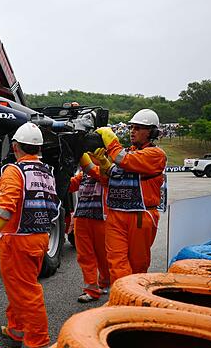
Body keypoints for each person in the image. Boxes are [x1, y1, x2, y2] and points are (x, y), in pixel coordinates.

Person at [0, 122, 59, 348]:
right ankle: (17, 329)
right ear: (39, 148)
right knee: (19, 288)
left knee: (26, 292)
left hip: (18, 240)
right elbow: (54, 206)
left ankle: (38, 341)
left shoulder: (14, 171)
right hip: (39, 238)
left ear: (15, 146)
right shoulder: (47, 173)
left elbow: (3, 208)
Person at [95, 108, 166, 283]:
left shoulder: (156, 155)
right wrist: (104, 165)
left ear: (151, 132)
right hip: (116, 215)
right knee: (116, 262)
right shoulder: (125, 153)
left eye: (138, 128)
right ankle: (122, 301)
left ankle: (134, 302)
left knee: (138, 265)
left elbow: (126, 160)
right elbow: (109, 180)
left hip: (141, 216)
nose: (132, 131)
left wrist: (110, 139)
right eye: (131, 127)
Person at [69, 152, 110, 303]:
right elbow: (70, 185)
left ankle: (105, 282)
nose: (86, 155)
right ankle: (91, 289)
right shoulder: (83, 174)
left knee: (103, 255)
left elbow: (99, 175)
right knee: (85, 256)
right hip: (82, 218)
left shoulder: (106, 171)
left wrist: (86, 163)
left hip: (101, 218)